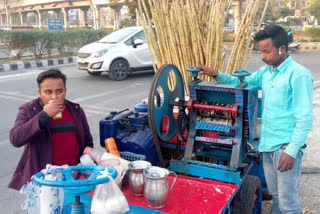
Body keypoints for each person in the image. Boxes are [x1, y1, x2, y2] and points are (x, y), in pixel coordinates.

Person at [197, 25, 313, 213]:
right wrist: (216, 74)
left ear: (282, 49)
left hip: (285, 147)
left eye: (266, 51)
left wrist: (291, 151)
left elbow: (305, 118)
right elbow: (241, 82)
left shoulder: (298, 75)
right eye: (261, 51)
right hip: (268, 145)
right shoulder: (266, 72)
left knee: (288, 203)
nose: (262, 56)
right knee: (276, 196)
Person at [9, 69, 93, 190]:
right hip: (44, 180)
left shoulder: (76, 110)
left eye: (59, 91)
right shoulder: (28, 109)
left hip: (73, 177)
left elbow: (87, 143)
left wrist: (82, 165)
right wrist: (45, 115)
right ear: (39, 92)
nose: (54, 96)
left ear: (65, 91)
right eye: (48, 92)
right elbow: (15, 139)